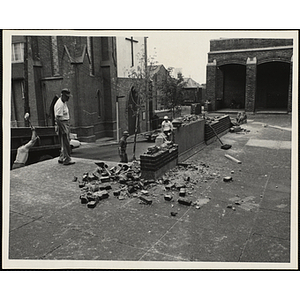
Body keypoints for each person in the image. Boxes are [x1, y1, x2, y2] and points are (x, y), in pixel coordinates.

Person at [54, 88, 75, 165]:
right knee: (66, 142)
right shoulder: (60, 104)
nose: (68, 98)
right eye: (67, 96)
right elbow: (58, 118)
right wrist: (63, 129)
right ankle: (67, 159)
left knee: (63, 142)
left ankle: (62, 157)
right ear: (62, 95)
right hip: (62, 123)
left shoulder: (63, 102)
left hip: (64, 123)